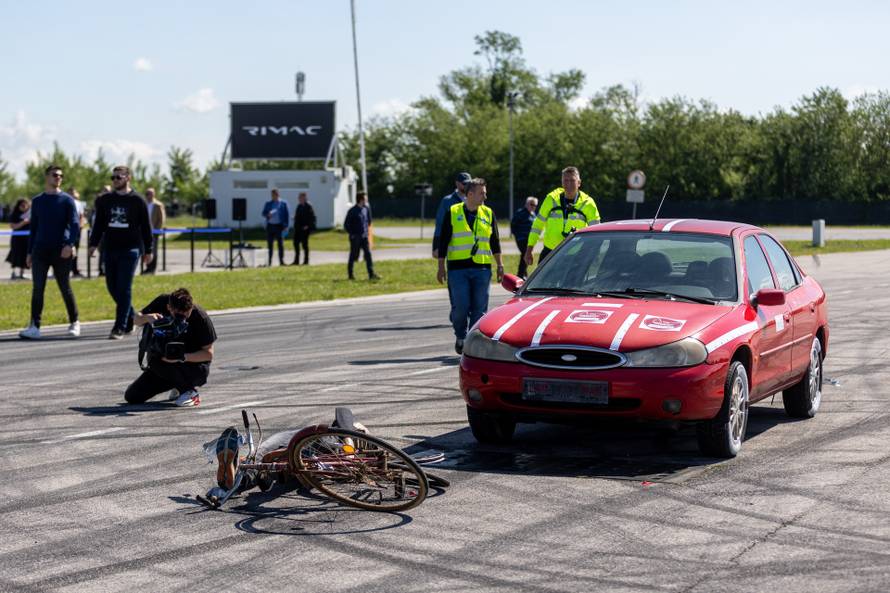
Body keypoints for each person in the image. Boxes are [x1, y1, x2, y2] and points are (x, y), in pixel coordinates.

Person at [437, 178, 504, 354]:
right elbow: (443, 242)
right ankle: (460, 335)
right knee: (460, 307)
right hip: (458, 269)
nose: (485, 196)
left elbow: (495, 241)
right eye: (482, 193)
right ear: (470, 194)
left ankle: (471, 341)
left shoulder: (488, 213)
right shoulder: (453, 212)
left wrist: (500, 265)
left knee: (479, 309)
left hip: (482, 268)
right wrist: (441, 267)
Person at [88, 166, 153, 339]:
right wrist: (93, 244)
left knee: (124, 287)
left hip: (131, 249)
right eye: (113, 177)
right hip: (110, 248)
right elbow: (99, 224)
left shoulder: (137, 200)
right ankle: (132, 318)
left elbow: (146, 227)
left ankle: (119, 327)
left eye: (119, 177)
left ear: (128, 178)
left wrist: (148, 250)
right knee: (112, 287)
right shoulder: (105, 200)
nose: (115, 180)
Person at [125, 288, 216, 407]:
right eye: (178, 314)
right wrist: (147, 317)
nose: (182, 318)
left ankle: (189, 391)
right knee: (132, 396)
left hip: (192, 366)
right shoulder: (162, 302)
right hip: (163, 365)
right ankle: (177, 384)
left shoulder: (200, 317)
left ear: (191, 308)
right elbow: (136, 319)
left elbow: (208, 354)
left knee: (161, 362)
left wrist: (182, 357)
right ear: (169, 307)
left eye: (186, 314)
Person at [19, 165, 80, 339]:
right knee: (38, 288)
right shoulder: (38, 201)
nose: (58, 177)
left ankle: (74, 321)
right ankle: (35, 326)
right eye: (55, 175)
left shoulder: (67, 200)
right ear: (47, 177)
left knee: (64, 287)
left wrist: (70, 244)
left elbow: (75, 224)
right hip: (40, 251)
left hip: (61, 251)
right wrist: (29, 252)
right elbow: (34, 228)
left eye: (61, 175)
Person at [525, 166, 601, 268]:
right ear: (562, 183)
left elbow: (596, 232)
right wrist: (529, 248)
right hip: (550, 252)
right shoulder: (551, 199)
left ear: (579, 183)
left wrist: (593, 253)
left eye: (572, 181)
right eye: (566, 180)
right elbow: (537, 226)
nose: (569, 184)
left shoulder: (588, 203)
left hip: (576, 254)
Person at [432, 172, 471, 258]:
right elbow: (440, 223)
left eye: (469, 184)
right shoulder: (447, 201)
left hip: (471, 246)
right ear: (457, 183)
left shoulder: (474, 199)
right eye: (464, 183)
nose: (467, 186)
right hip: (453, 246)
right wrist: (436, 245)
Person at [344, 192, 381, 280]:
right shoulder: (352, 211)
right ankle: (350, 274)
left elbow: (369, 222)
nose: (366, 200)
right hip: (355, 237)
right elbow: (346, 225)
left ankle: (371, 274)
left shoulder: (366, 209)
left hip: (364, 237)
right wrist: (352, 234)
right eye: (365, 199)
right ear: (361, 200)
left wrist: (367, 232)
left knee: (368, 254)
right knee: (353, 255)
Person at [510, 196, 538, 279]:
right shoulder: (520, 213)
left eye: (535, 205)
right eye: (531, 204)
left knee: (526, 255)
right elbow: (513, 224)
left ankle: (523, 274)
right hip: (521, 238)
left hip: (530, 240)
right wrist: (517, 234)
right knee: (525, 254)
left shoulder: (533, 215)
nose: (533, 207)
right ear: (526, 204)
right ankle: (520, 274)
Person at [261, 189, 289, 266]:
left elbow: (286, 215)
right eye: (272, 195)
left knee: (280, 244)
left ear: (278, 194)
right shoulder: (268, 203)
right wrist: (268, 214)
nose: (273, 196)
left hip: (279, 226)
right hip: (270, 226)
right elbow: (263, 213)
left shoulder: (283, 203)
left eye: (275, 195)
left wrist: (286, 226)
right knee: (270, 244)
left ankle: (281, 261)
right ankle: (269, 262)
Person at [5, 198, 30, 280]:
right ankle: (13, 273)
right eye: (22, 205)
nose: (24, 207)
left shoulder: (30, 215)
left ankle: (22, 274)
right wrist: (23, 222)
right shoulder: (14, 214)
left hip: (27, 239)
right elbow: (13, 226)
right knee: (15, 254)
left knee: (25, 255)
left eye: (26, 205)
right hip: (17, 239)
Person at [144, 187, 165, 274]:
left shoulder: (158, 205)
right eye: (147, 194)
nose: (148, 196)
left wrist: (157, 230)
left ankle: (152, 268)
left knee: (154, 250)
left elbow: (161, 219)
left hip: (154, 232)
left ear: (153, 194)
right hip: (145, 231)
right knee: (145, 250)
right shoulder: (144, 204)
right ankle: (147, 268)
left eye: (150, 194)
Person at [66, 188, 87, 278]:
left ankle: (74, 269)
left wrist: (80, 226)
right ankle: (66, 269)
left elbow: (81, 216)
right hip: (67, 229)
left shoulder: (78, 203)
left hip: (76, 229)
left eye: (73, 193)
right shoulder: (65, 202)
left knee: (75, 250)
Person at [291, 192, 316, 265]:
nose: (299, 199)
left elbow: (312, 217)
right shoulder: (299, 206)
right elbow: (297, 216)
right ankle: (296, 261)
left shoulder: (309, 206)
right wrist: (294, 218)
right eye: (299, 198)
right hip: (298, 228)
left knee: (304, 245)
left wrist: (308, 226)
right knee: (295, 243)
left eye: (301, 197)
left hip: (305, 229)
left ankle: (306, 261)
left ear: (304, 198)